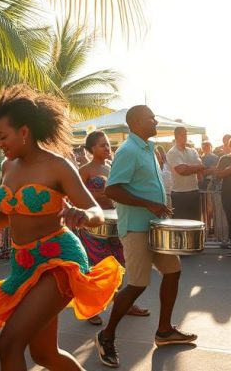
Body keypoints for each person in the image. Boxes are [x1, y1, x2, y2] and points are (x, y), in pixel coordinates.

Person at [0, 85, 122, 371]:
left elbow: (97, 212)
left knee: (10, 343)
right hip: (23, 263)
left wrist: (81, 214)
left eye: (3, 135)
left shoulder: (58, 166)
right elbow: (6, 215)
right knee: (45, 355)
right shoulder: (8, 166)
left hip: (58, 260)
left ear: (24, 131)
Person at [96, 105, 197, 368]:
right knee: (138, 284)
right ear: (138, 122)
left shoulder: (147, 148)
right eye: (151, 118)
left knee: (173, 271)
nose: (155, 121)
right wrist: (148, 204)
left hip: (155, 227)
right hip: (136, 228)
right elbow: (112, 189)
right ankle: (106, 336)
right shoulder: (128, 150)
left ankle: (164, 331)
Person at [76, 130, 148, 325]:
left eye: (108, 144)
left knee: (121, 265)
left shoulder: (112, 167)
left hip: (116, 222)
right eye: (102, 145)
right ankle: (92, 309)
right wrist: (92, 199)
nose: (107, 148)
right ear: (91, 149)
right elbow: (73, 198)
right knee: (97, 268)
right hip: (93, 226)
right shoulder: (85, 170)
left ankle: (123, 304)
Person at [165, 127, 205, 221]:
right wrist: (196, 168)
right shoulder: (172, 152)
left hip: (194, 192)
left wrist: (189, 168)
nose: (185, 137)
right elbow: (182, 171)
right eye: (182, 134)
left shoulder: (193, 151)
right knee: (180, 225)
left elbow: (201, 167)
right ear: (176, 136)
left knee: (195, 223)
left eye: (186, 134)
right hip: (179, 194)